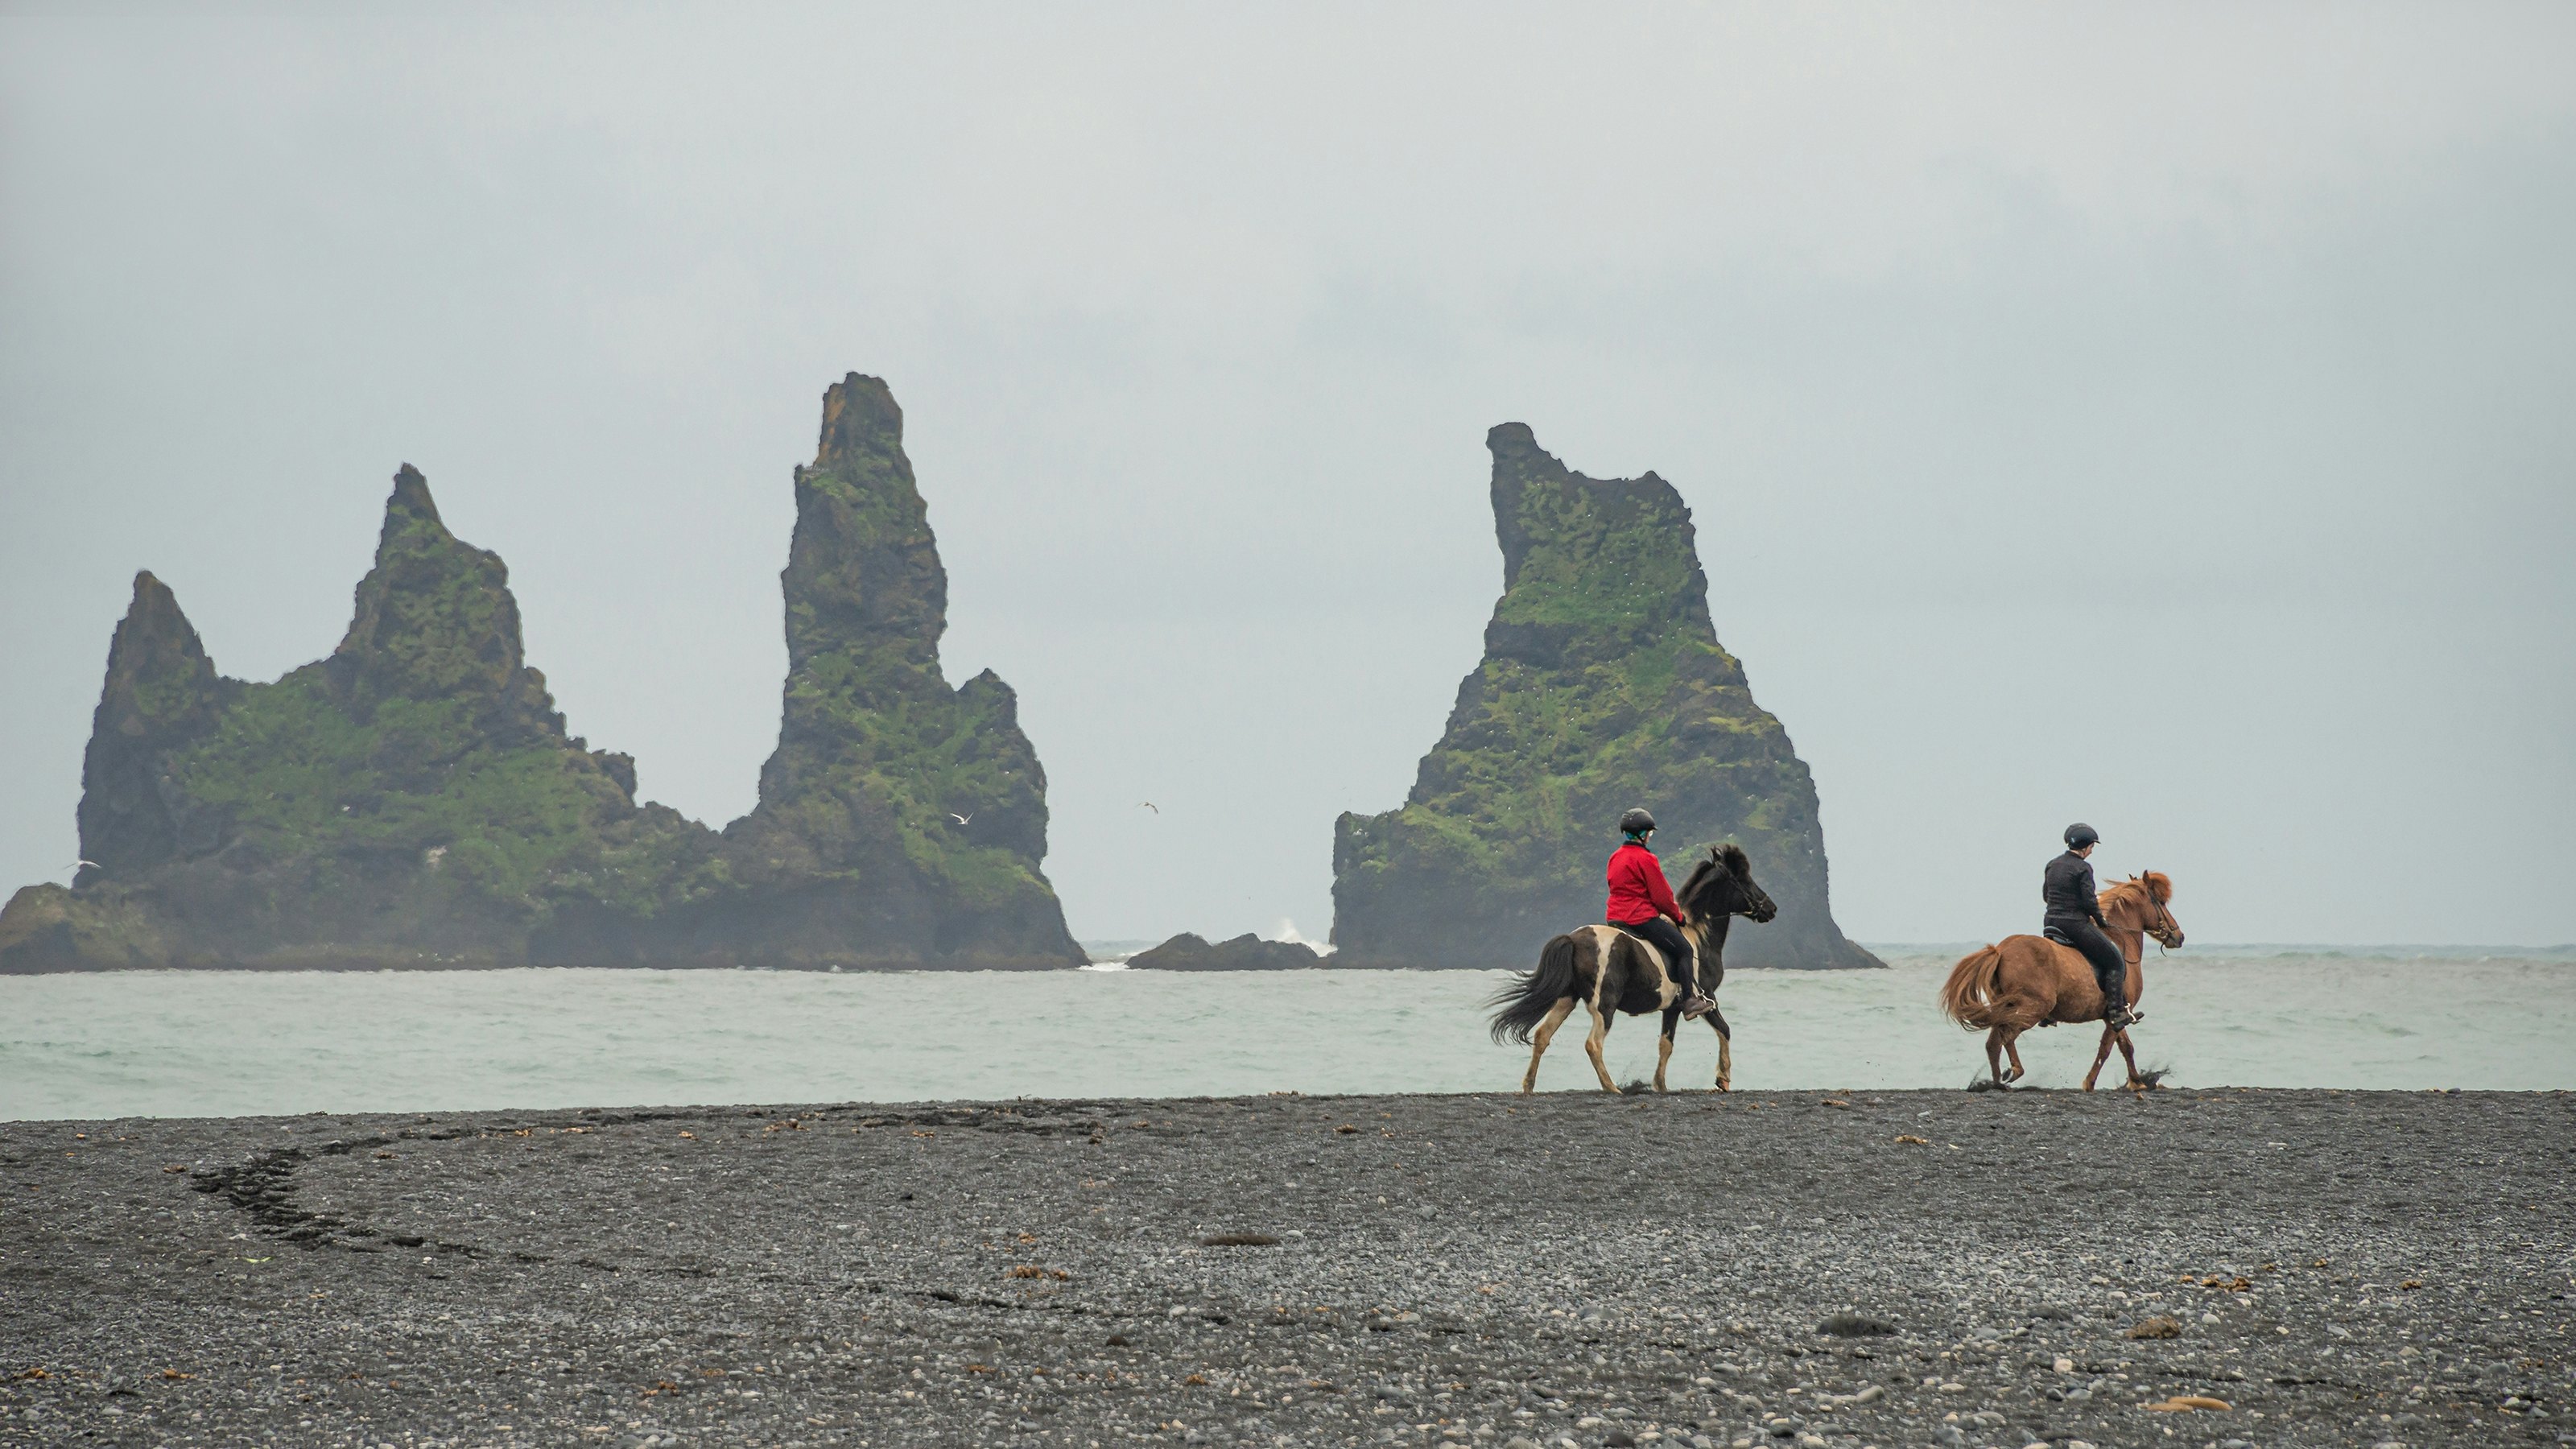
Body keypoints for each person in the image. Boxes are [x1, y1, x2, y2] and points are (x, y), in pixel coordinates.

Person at [1604, 807, 1715, 1020]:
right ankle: (1690, 1001)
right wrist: (1678, 917)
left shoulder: (1615, 857)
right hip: (1640, 919)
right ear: (1642, 834)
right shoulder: (1646, 859)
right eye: (1649, 833)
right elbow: (1662, 897)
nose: (1649, 837)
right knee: (1683, 949)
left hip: (1615, 918)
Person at [2044, 823, 2140, 1029]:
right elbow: (2089, 902)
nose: (2092, 850)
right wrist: (2101, 920)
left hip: (2050, 923)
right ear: (2085, 846)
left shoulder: (2052, 864)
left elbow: (2046, 895)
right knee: (2115, 961)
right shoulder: (2083, 868)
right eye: (2092, 846)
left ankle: (2047, 1013)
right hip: (2074, 925)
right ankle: (2116, 1013)